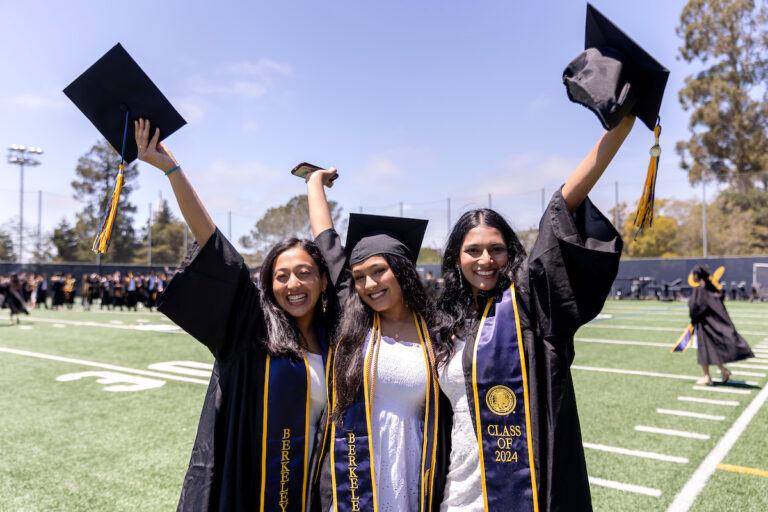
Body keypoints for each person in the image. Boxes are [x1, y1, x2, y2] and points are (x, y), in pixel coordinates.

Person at [434, 111, 633, 511]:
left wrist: (621, 127)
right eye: (473, 250)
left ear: (512, 253)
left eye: (496, 249)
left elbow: (560, 212)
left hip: (524, 487)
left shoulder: (527, 305)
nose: (485, 259)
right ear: (456, 258)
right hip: (457, 489)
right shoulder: (442, 323)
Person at [136, 118, 334, 510]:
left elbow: (332, 250)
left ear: (323, 282)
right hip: (247, 490)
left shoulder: (337, 339)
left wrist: (314, 186)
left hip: (313, 493)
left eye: (304, 273)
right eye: (281, 276)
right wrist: (172, 170)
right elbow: (214, 245)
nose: (293, 284)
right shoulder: (252, 327)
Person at [306, 168, 443, 511]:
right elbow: (327, 241)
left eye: (379, 271)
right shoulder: (353, 319)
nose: (369, 284)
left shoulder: (437, 329)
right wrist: (314, 184)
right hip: (353, 459)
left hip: (417, 460)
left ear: (402, 270)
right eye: (359, 277)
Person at [688, 264, 754, 385]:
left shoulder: (699, 290)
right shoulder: (711, 288)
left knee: (704, 349)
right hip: (714, 324)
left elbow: (696, 309)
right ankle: (723, 370)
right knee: (712, 349)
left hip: (705, 325)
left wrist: (693, 320)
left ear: (697, 276)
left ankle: (707, 376)